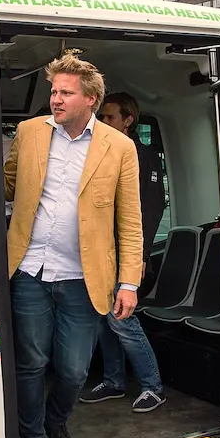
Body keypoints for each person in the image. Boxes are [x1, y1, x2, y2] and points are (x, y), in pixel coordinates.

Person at [4, 53, 144, 438]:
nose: (56, 99)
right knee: (30, 363)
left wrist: (128, 283)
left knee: (73, 369)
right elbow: (7, 180)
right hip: (29, 269)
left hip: (85, 278)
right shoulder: (28, 133)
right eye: (54, 91)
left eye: (66, 93)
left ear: (91, 99)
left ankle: (55, 421)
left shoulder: (119, 147)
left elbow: (130, 221)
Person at [78, 91, 166, 414]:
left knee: (122, 320)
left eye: (110, 117)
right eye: (101, 117)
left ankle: (152, 385)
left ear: (128, 120)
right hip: (103, 253)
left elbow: (151, 209)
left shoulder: (143, 157)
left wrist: (139, 256)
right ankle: (115, 380)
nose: (103, 122)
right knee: (104, 318)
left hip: (127, 255)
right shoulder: (104, 154)